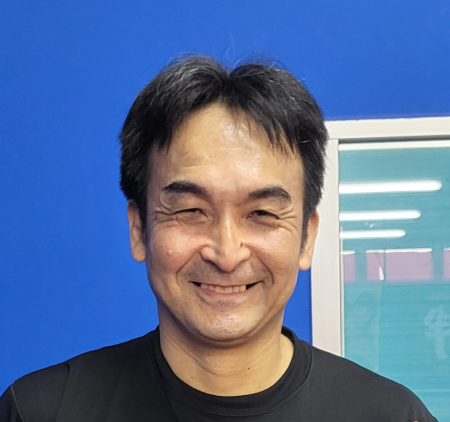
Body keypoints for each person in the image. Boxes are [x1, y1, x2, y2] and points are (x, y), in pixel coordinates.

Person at [0, 55, 437, 421]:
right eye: (191, 211)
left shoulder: (391, 415)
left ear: (307, 237)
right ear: (138, 229)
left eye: (261, 214)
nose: (227, 254)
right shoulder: (42, 411)